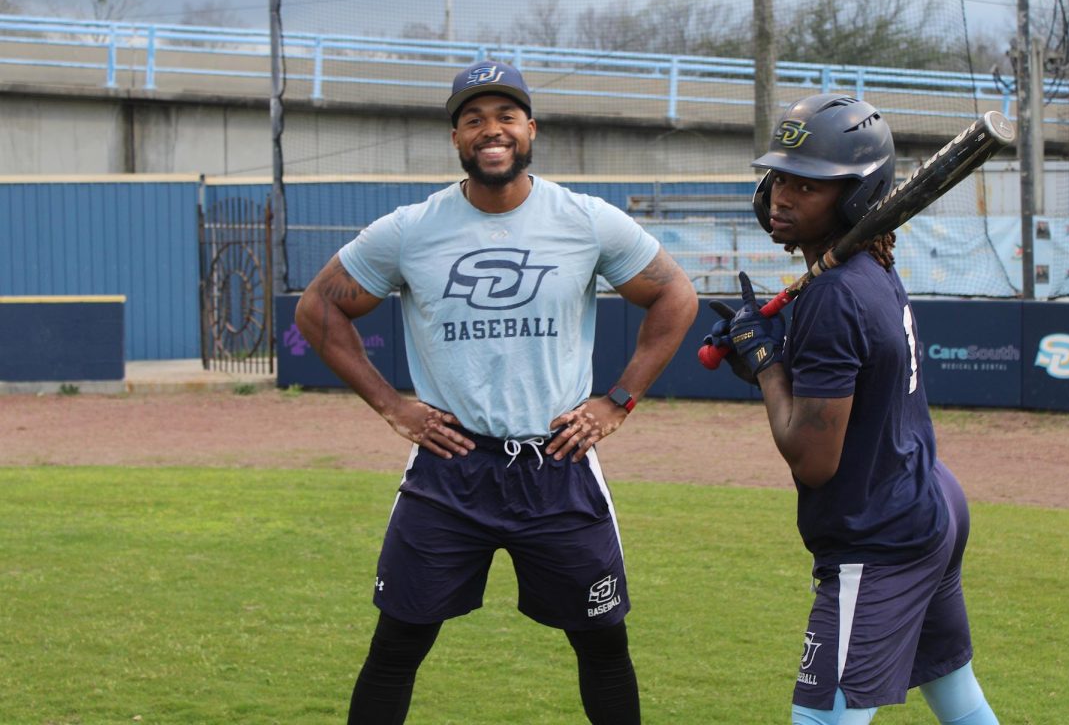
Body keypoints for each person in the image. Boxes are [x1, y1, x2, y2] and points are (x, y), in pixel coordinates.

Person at [295, 58, 698, 724]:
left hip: (559, 465)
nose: (492, 130)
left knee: (602, 641)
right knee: (398, 641)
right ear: (456, 139)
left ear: (530, 128)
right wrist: (393, 405)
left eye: (506, 116)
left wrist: (618, 400)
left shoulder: (585, 220)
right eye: (474, 119)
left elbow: (674, 294)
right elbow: (319, 309)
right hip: (450, 468)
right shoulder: (411, 229)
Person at [704, 94, 1000, 725]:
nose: (782, 196)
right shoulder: (870, 267)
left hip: (881, 534)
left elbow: (813, 459)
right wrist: (770, 359)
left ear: (858, 198)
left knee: (821, 718)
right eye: (779, 177)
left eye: (807, 185)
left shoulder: (834, 296)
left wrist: (766, 365)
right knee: (956, 696)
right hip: (925, 502)